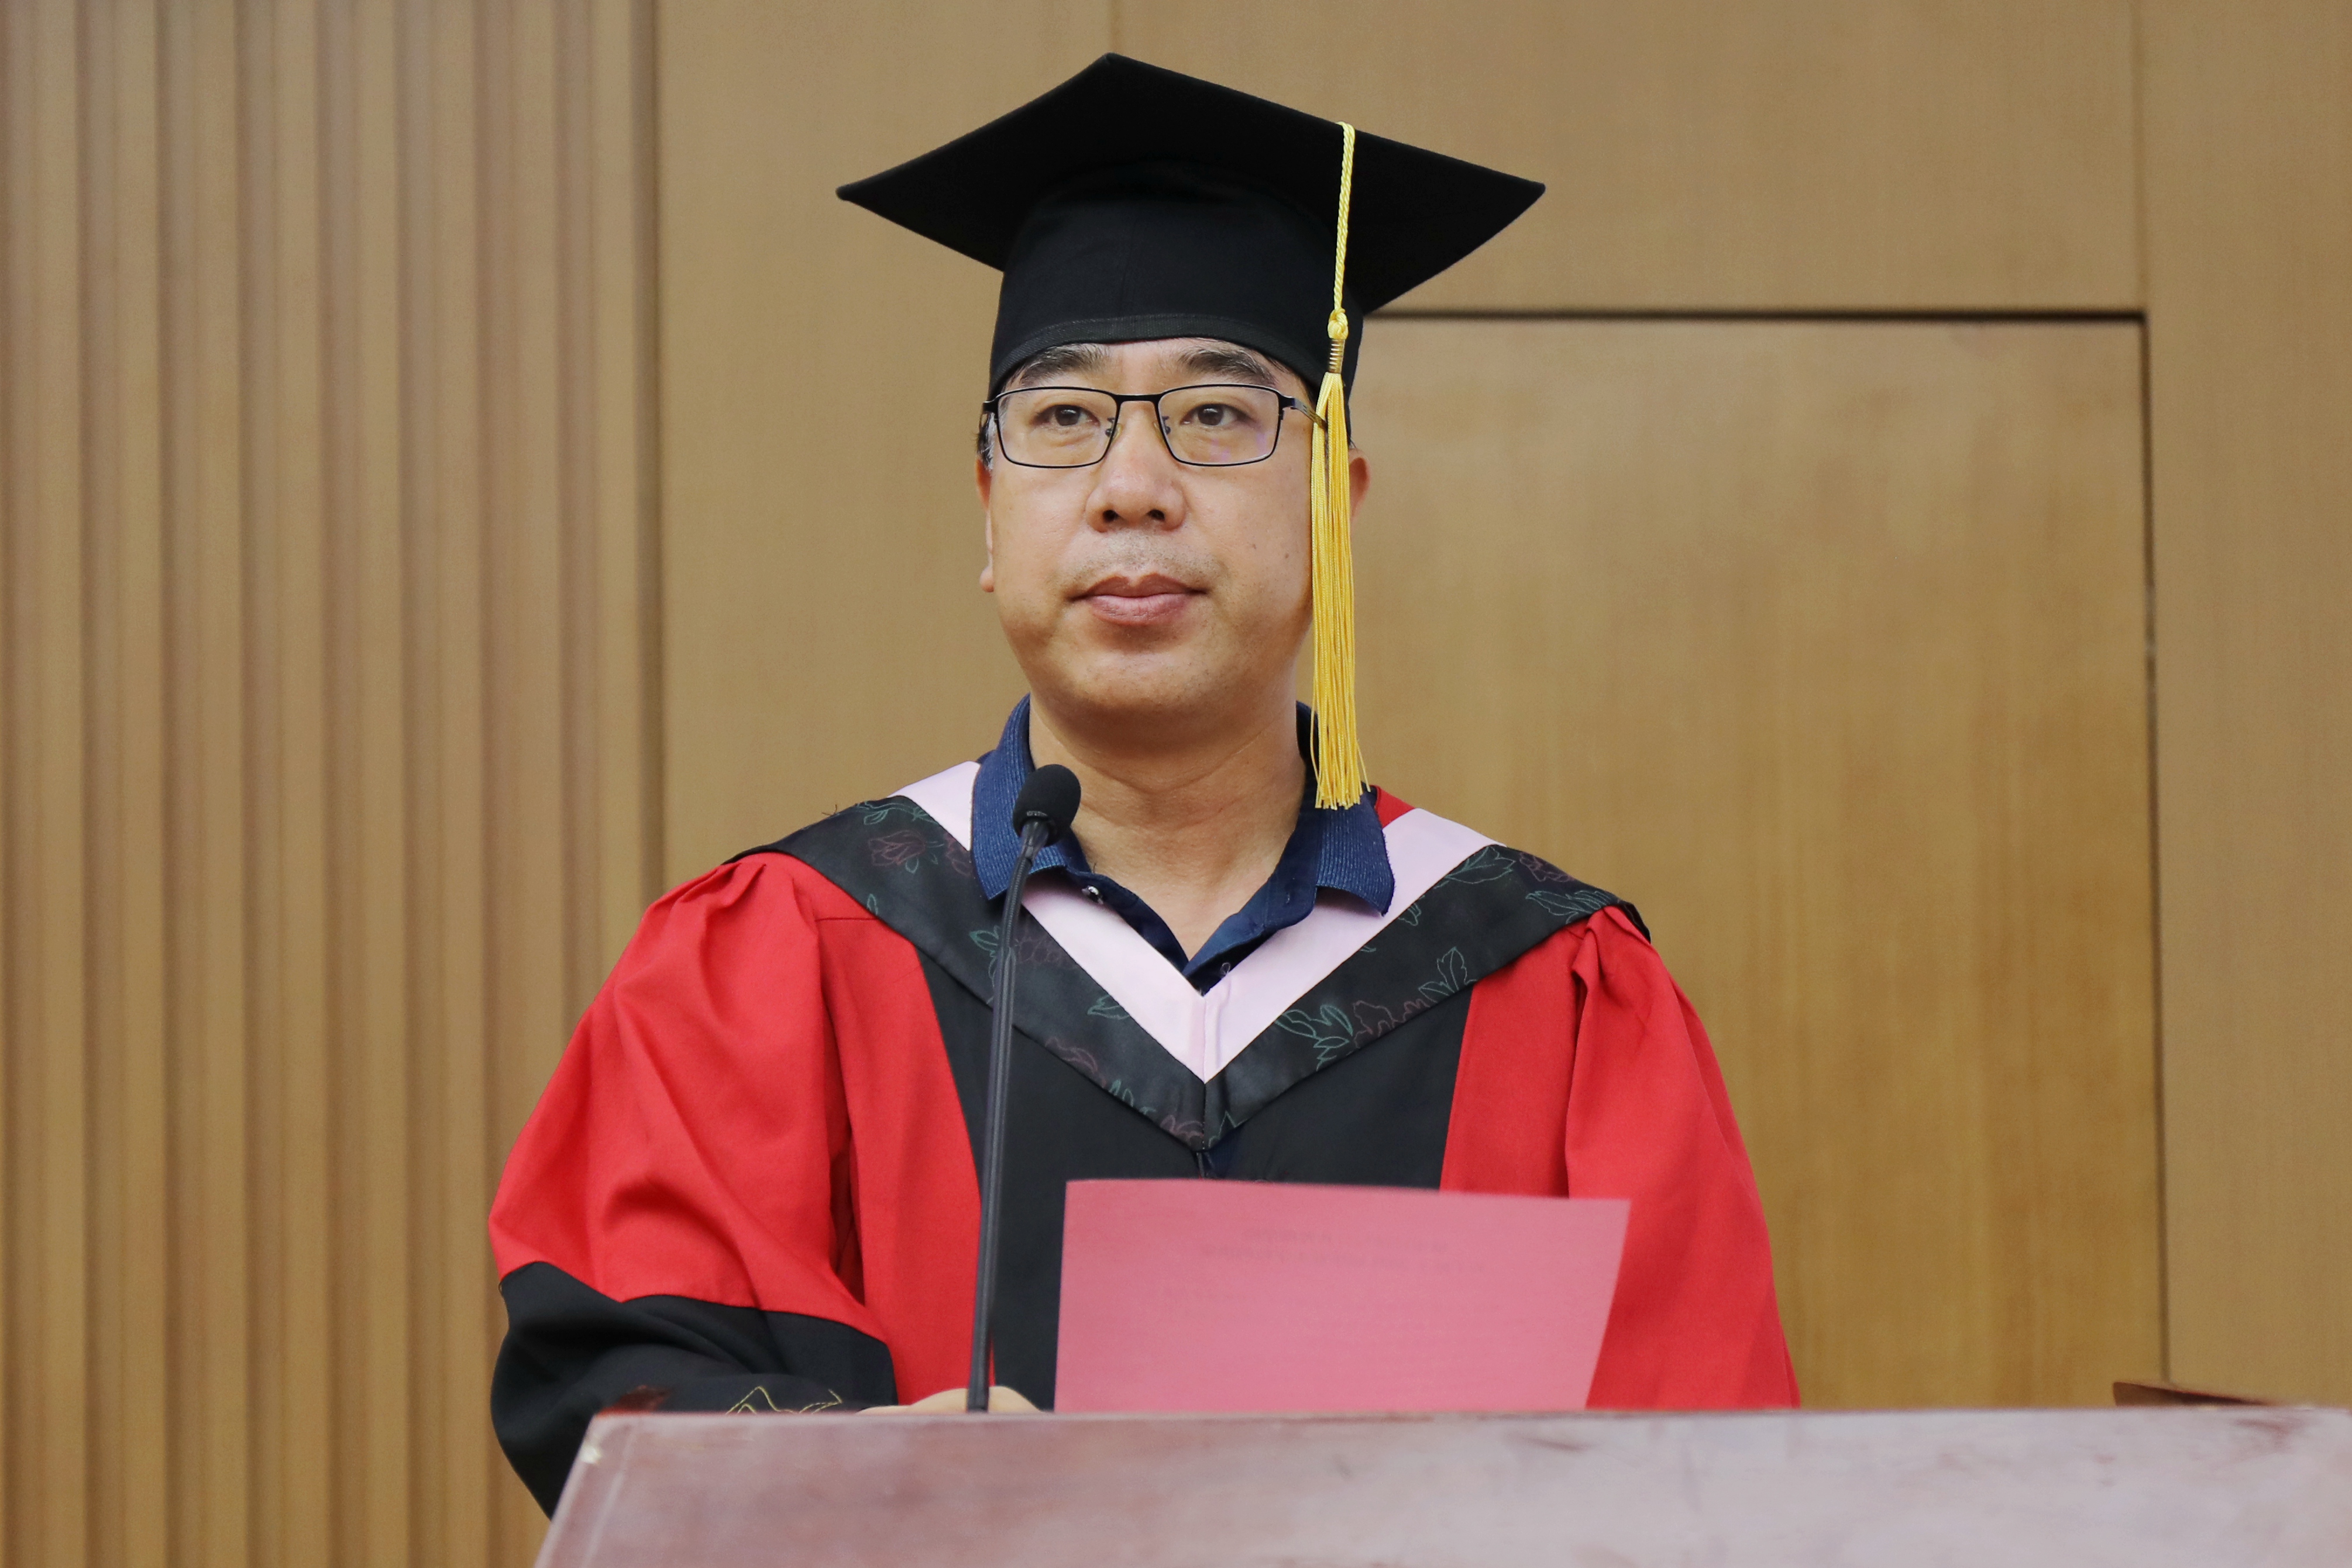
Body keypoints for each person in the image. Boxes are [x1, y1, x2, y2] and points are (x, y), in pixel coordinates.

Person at [487, 54, 1796, 1517]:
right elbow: (616, 1387)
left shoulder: (1551, 983)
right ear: (991, 513)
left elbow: (1710, 1482)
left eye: (1220, 415)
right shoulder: (779, 954)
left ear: (1336, 503)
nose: (1132, 485)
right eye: (1061, 419)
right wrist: (868, 1465)